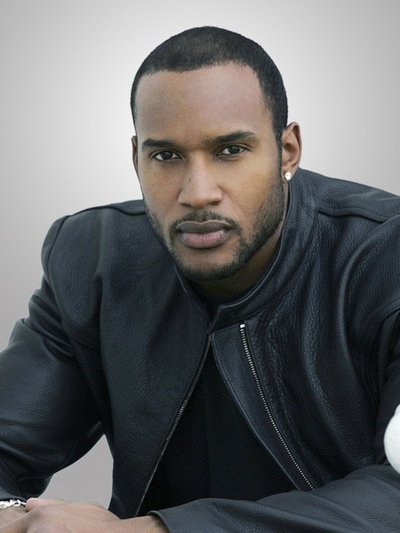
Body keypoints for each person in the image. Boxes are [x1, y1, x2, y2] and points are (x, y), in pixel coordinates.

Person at [0, 25, 400, 533]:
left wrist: (148, 531)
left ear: (288, 150)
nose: (198, 192)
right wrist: (14, 516)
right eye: (166, 156)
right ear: (136, 159)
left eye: (230, 150)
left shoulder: (384, 255)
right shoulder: (93, 260)